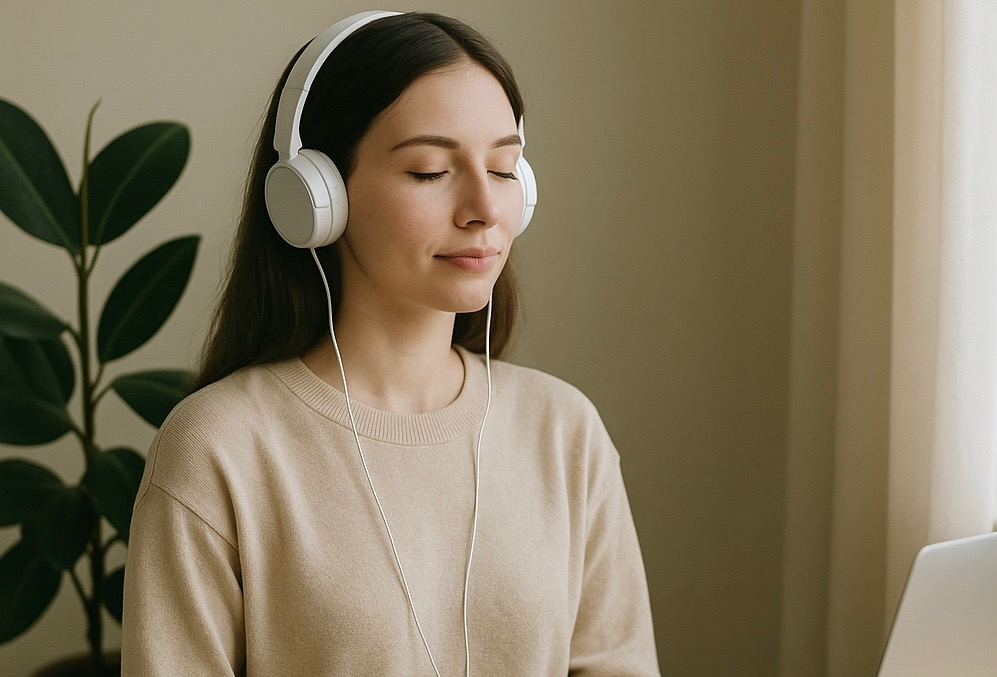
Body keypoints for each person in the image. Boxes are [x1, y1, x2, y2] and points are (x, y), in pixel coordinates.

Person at [121, 10, 659, 676]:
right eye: (430, 171)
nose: (484, 209)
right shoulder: (220, 447)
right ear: (315, 194)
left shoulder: (563, 431)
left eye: (503, 168)